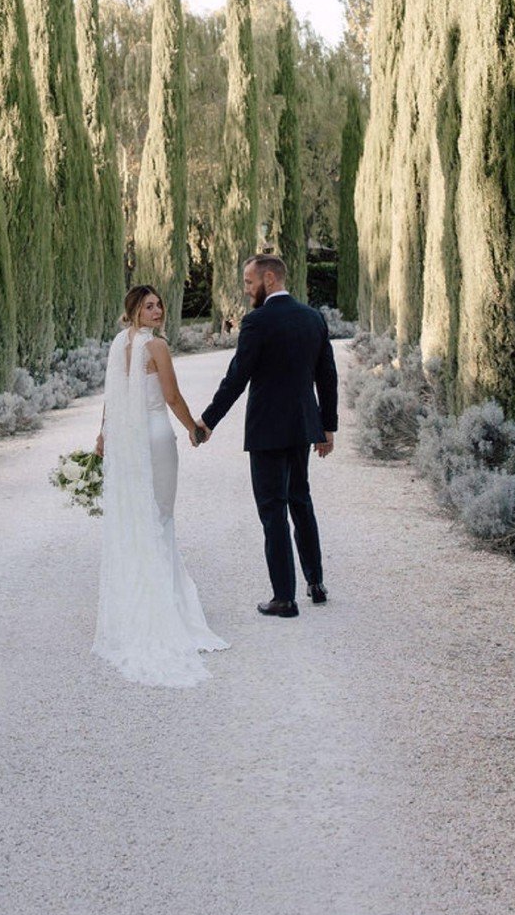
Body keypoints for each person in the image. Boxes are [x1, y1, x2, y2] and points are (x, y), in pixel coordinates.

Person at [91, 285, 228, 686]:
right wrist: (195, 428)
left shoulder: (119, 344)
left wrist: (103, 436)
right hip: (154, 438)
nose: (157, 311)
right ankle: (165, 610)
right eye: (148, 306)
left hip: (129, 442)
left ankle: (137, 604)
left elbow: (110, 398)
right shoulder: (157, 347)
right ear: (133, 310)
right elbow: (171, 396)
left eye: (159, 305)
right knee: (162, 518)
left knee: (139, 517)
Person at [194, 252, 338, 618]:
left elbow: (237, 378)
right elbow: (327, 377)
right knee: (300, 502)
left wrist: (208, 421)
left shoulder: (257, 322)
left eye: (248, 282)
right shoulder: (313, 318)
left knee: (273, 511)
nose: (246, 290)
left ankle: (284, 598)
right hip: (303, 428)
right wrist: (327, 427)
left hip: (267, 431)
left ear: (269, 279)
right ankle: (315, 583)